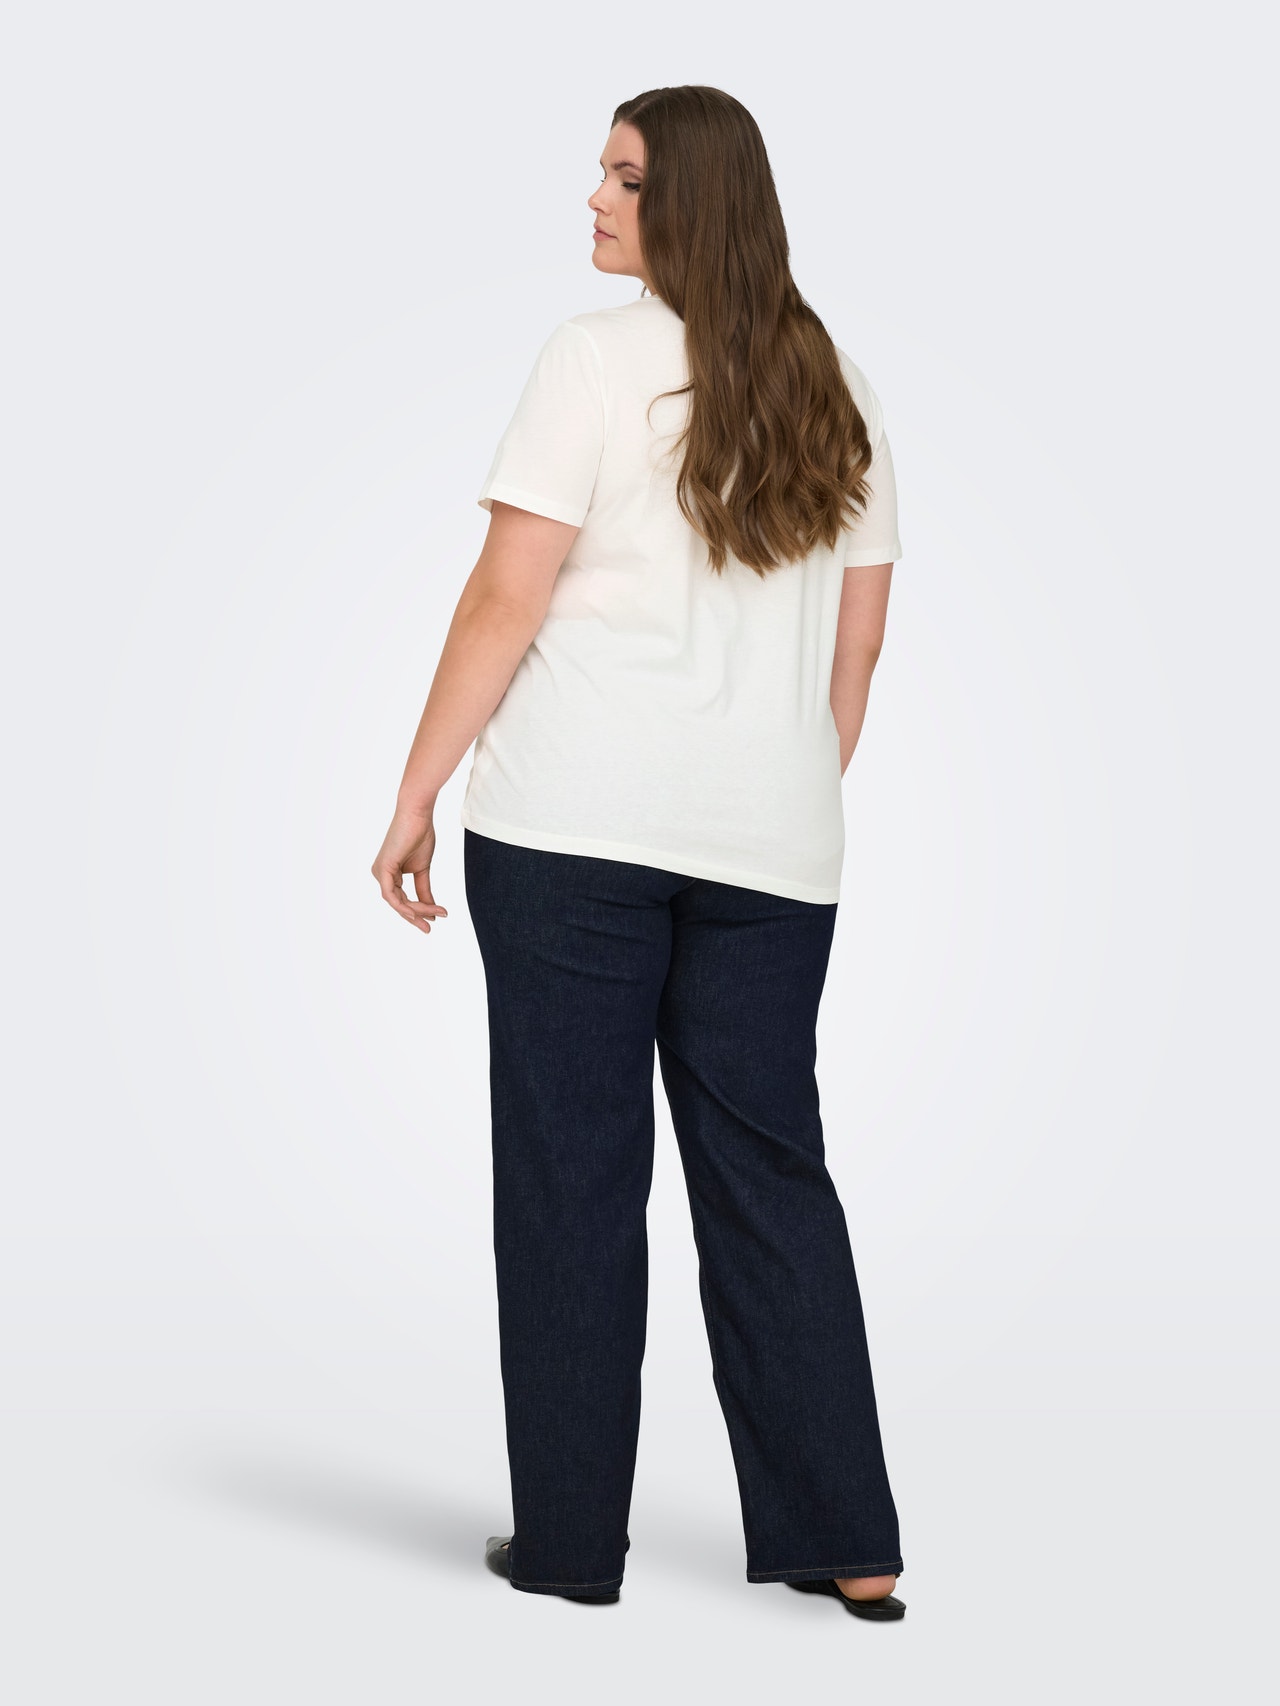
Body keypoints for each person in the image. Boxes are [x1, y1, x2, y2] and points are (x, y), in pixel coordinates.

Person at [371, 85, 907, 1621]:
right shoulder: (840, 384)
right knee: (771, 1175)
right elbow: (858, 650)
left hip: (569, 834)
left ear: (695, 203)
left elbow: (504, 598)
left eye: (623, 178)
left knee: (573, 1181)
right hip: (775, 854)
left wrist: (415, 791)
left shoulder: (591, 361)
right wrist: (768, 788)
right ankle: (851, 1541)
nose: (595, 201)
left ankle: (570, 1547)